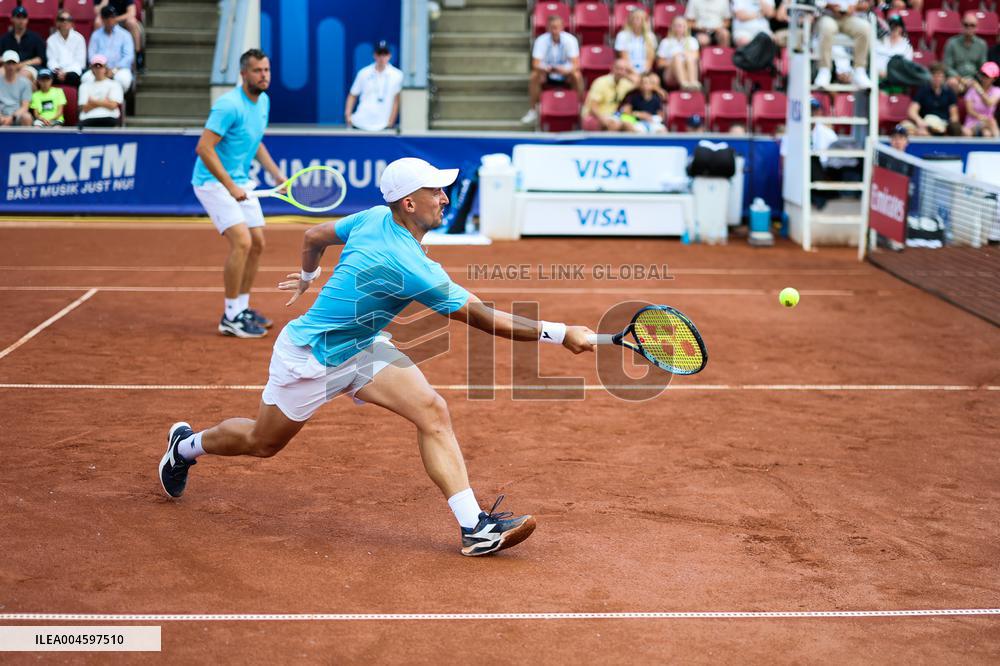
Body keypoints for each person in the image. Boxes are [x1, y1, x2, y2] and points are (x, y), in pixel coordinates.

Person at [158, 156, 597, 557]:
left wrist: (308, 276)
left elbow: (314, 236)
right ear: (409, 203)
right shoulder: (409, 264)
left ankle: (474, 528)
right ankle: (186, 447)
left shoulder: (373, 217)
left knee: (432, 410)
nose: (445, 198)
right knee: (262, 442)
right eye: (435, 191)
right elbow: (483, 317)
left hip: (363, 346)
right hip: (312, 357)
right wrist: (561, 333)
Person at [192, 48, 287, 339]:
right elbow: (204, 148)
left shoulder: (263, 101)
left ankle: (242, 308)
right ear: (244, 74)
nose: (264, 75)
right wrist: (230, 187)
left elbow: (255, 142)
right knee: (243, 242)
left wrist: (276, 173)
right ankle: (230, 316)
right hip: (212, 182)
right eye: (258, 71)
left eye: (267, 70)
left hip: (241, 182)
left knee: (257, 242)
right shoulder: (228, 105)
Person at [521, 14, 582, 125]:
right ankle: (534, 110)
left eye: (557, 27)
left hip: (565, 74)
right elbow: (535, 64)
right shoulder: (541, 40)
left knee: (577, 75)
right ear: (547, 28)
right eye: (552, 27)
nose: (555, 30)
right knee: (534, 75)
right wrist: (544, 69)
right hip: (546, 73)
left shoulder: (571, 40)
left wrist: (566, 71)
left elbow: (576, 64)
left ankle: (578, 108)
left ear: (562, 27)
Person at [344, 41, 403, 131]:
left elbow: (396, 100)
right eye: (379, 54)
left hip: (383, 125)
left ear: (390, 55)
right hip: (360, 123)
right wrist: (348, 116)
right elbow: (353, 94)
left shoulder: (398, 75)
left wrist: (390, 122)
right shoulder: (364, 73)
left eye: (385, 54)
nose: (382, 57)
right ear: (374, 55)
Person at [814, 0, 872, 89]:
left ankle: (859, 70)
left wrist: (855, 7)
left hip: (849, 17)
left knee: (865, 28)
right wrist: (829, 6)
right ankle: (824, 70)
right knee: (826, 27)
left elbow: (866, 5)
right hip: (828, 16)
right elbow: (817, 2)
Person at [84, 5, 135, 93]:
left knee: (123, 79)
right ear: (102, 19)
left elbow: (128, 57)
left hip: (119, 69)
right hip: (99, 67)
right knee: (86, 79)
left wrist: (115, 69)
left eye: (112, 17)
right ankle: (98, 99)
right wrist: (102, 68)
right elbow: (92, 56)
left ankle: (116, 100)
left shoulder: (125, 35)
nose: (110, 20)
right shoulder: (96, 35)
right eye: (107, 17)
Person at [906, 63, 961, 136]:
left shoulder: (949, 92)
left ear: (944, 78)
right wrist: (919, 121)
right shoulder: (923, 91)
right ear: (930, 76)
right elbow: (912, 111)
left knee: (960, 130)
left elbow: (954, 115)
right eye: (935, 76)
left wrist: (948, 126)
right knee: (907, 127)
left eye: (940, 76)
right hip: (926, 124)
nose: (938, 79)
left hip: (944, 125)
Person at [582, 58, 635, 131]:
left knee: (631, 124)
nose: (621, 72)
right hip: (596, 116)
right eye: (619, 69)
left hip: (615, 116)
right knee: (613, 125)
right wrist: (604, 120)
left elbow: (642, 84)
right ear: (612, 68)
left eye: (625, 70)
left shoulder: (626, 84)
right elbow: (593, 107)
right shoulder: (601, 82)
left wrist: (631, 72)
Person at [94, 0, 144, 73]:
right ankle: (97, 58)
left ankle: (138, 56)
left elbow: (132, 13)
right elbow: (97, 12)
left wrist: (114, 19)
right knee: (98, 22)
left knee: (132, 22)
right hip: (106, 20)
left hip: (123, 20)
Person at [943, 13, 988, 94]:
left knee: (984, 82)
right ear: (962, 26)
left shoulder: (982, 44)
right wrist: (961, 79)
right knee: (952, 82)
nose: (969, 27)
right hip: (956, 78)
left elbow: (983, 67)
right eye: (966, 25)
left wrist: (973, 80)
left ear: (976, 27)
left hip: (974, 79)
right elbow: (947, 67)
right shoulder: (952, 43)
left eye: (972, 25)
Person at [0, 5, 46, 83]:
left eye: (24, 17)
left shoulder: (35, 37)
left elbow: (40, 59)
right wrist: (7, 61)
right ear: (12, 19)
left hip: (28, 67)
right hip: (9, 66)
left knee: (23, 75)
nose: (21, 20)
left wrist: (21, 65)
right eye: (18, 17)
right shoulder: (4, 38)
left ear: (27, 20)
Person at [656, 16, 701, 91]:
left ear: (686, 27)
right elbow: (660, 63)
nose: (679, 28)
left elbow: (696, 57)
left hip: (688, 71)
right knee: (677, 58)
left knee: (689, 57)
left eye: (682, 26)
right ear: (672, 27)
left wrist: (685, 56)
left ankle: (693, 82)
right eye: (676, 25)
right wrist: (674, 61)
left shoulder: (692, 40)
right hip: (670, 74)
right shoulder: (665, 42)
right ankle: (684, 84)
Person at [77, 55, 123, 127]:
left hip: (109, 117)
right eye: (95, 67)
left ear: (105, 68)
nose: (98, 69)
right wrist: (105, 102)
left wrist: (92, 102)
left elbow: (113, 105)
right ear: (92, 69)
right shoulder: (84, 86)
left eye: (101, 66)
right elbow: (84, 108)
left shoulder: (115, 84)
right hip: (88, 118)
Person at [47, 11, 87, 88]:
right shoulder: (51, 40)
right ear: (57, 22)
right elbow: (51, 61)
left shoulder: (79, 38)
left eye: (69, 19)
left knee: (74, 76)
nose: (65, 22)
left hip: (73, 72)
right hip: (57, 72)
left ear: (72, 23)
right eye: (62, 19)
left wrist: (65, 72)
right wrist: (59, 72)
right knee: (47, 77)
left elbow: (80, 62)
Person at [614, 8, 657, 77]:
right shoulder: (622, 35)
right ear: (630, 20)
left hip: (645, 72)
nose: (637, 21)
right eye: (635, 18)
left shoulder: (651, 36)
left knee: (654, 80)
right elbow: (624, 58)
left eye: (640, 18)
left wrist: (643, 74)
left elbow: (650, 60)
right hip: (628, 70)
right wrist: (635, 74)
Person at [962, 61, 1000, 137]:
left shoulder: (997, 91)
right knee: (967, 132)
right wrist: (980, 117)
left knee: (987, 133)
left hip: (988, 124)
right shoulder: (971, 90)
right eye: (983, 75)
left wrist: (978, 88)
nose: (984, 78)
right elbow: (970, 111)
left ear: (994, 79)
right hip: (972, 123)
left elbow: (990, 103)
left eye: (987, 76)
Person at [875, 14, 913, 80]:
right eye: (891, 26)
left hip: (896, 80)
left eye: (896, 26)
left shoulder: (906, 47)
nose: (893, 28)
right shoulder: (878, 42)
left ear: (901, 28)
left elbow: (906, 68)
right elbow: (872, 61)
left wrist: (890, 75)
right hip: (877, 78)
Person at [0, 50, 32, 126]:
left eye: (13, 63)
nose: (11, 66)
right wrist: (1, 117)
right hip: (1, 115)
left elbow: (25, 107)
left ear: (17, 65)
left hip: (17, 116)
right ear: (4, 64)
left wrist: (12, 118)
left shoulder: (25, 82)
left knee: (27, 117)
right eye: (8, 63)